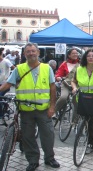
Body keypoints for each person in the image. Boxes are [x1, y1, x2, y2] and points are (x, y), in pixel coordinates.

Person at [0, 43, 60, 171]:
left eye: (33, 51)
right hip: (26, 109)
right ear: (24, 54)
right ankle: (33, 160)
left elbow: (52, 88)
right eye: (28, 51)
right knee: (28, 137)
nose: (31, 53)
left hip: (43, 109)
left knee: (48, 135)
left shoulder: (46, 68)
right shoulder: (19, 69)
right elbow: (8, 84)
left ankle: (49, 158)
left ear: (38, 52)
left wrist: (52, 107)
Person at [54, 48, 79, 123]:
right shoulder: (64, 64)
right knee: (63, 97)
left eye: (76, 53)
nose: (75, 55)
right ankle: (54, 111)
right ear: (69, 55)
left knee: (76, 102)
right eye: (73, 53)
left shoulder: (80, 64)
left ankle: (74, 121)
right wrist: (58, 77)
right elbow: (58, 74)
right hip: (66, 84)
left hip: (76, 85)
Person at [0, 48, 15, 120]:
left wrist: (9, 77)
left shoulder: (6, 61)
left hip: (5, 84)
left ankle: (1, 114)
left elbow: (14, 68)